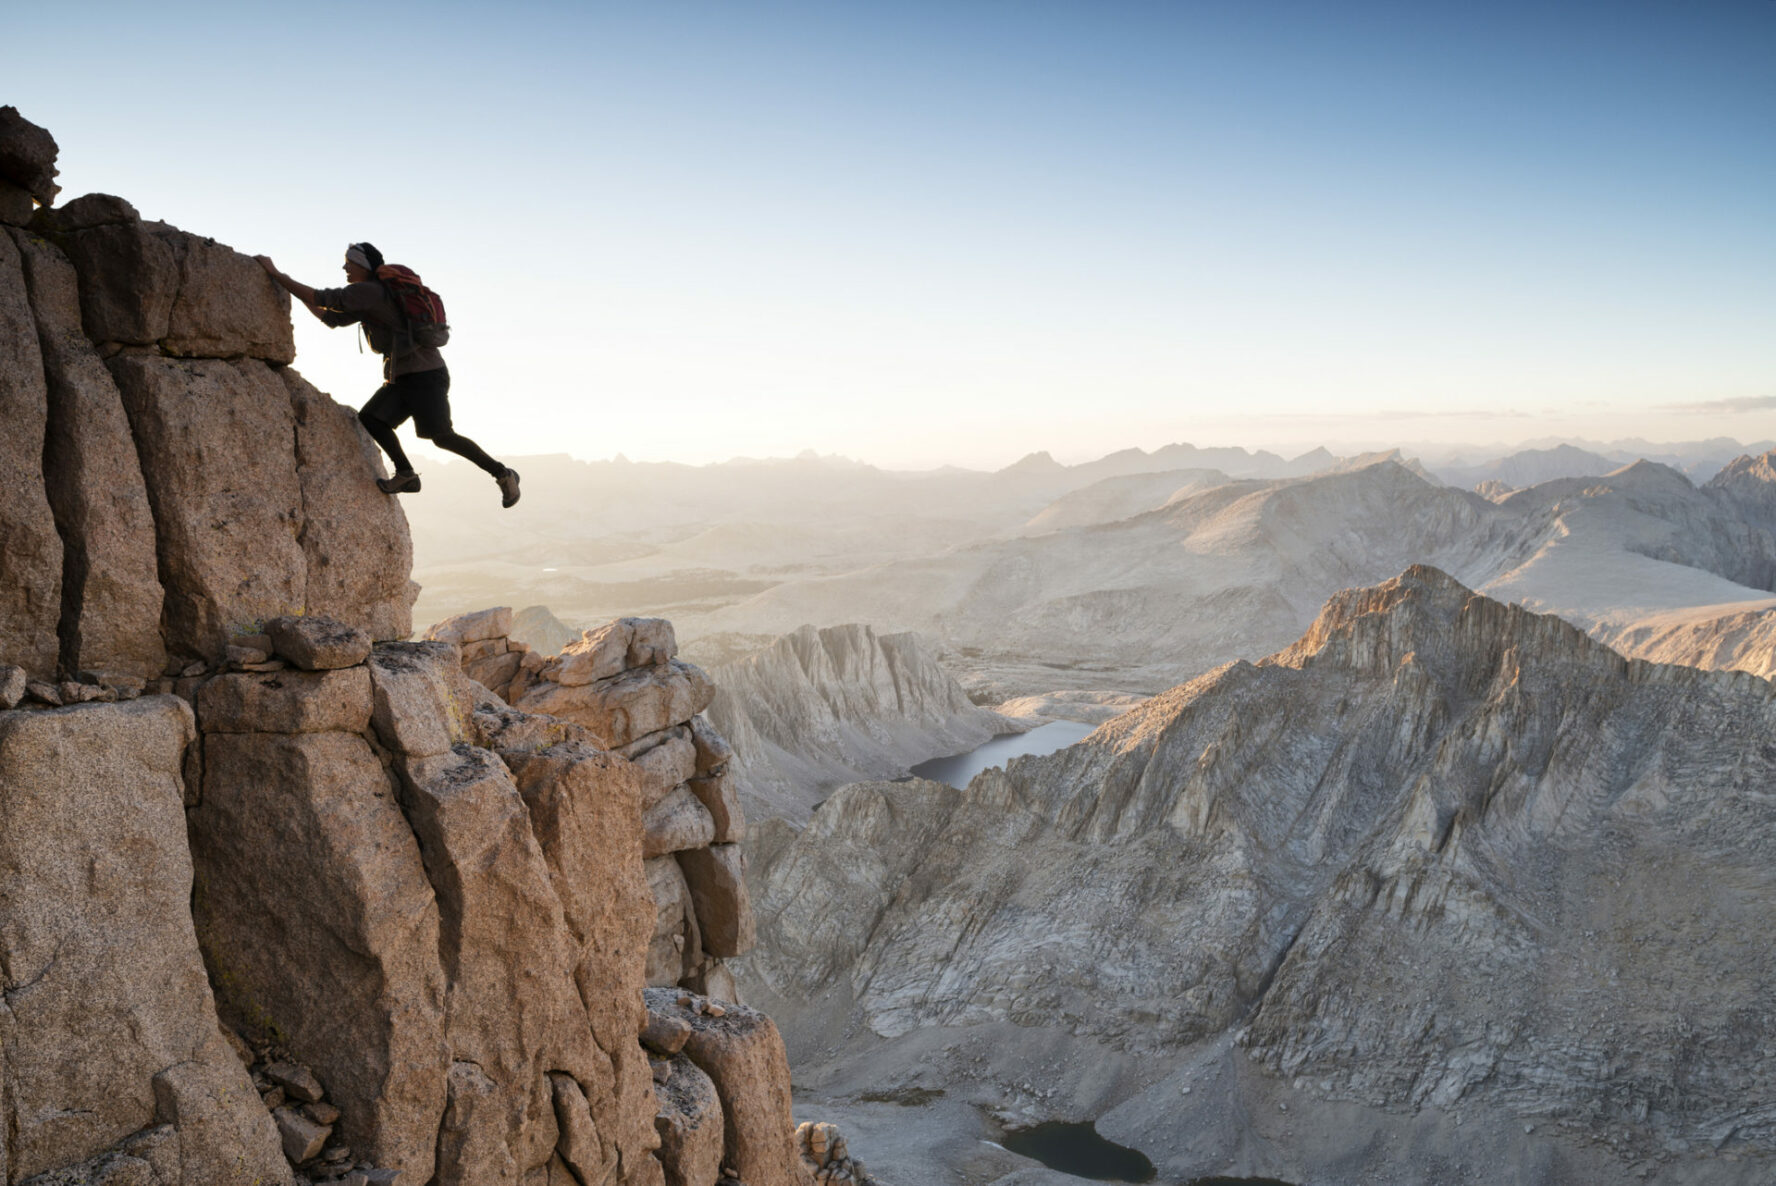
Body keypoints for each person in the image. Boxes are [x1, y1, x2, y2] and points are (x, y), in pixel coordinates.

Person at [256, 243, 520, 507]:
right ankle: (406, 474)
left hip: (425, 376)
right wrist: (294, 290)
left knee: (442, 436)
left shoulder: (369, 291)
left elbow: (322, 298)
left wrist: (277, 274)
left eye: (349, 262)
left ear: (363, 265)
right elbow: (331, 318)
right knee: (372, 417)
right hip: (404, 377)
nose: (345, 267)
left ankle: (503, 474)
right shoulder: (368, 296)